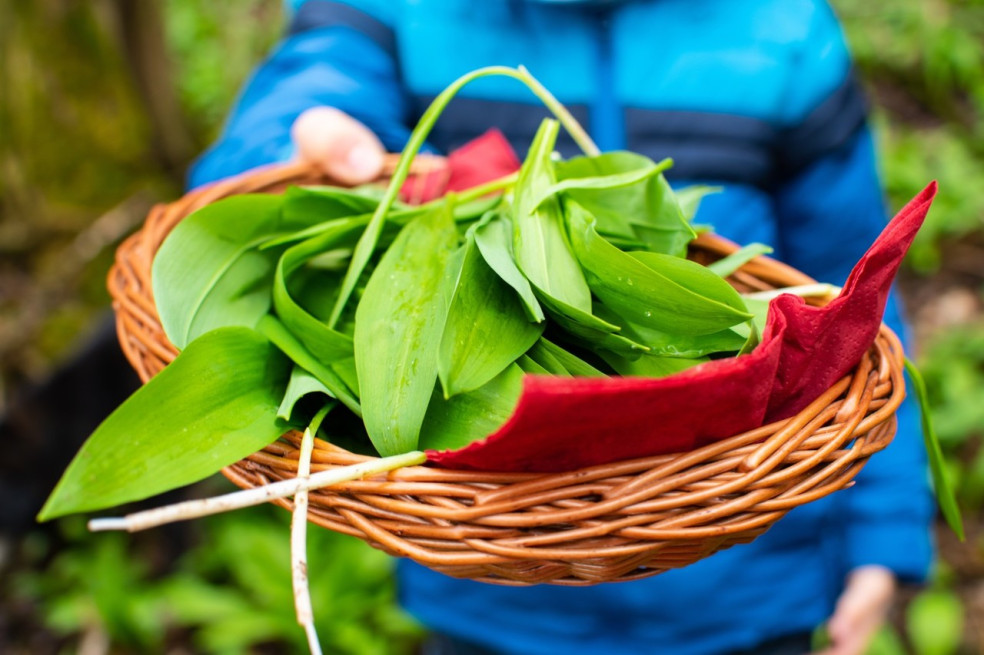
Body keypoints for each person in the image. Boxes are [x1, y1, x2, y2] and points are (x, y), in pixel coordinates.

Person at [189, 1, 934, 654]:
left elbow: (851, 298)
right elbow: (316, 84)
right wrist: (291, 155)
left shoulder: (782, 29)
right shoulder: (400, 12)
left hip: (745, 577)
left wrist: (882, 529)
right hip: (490, 579)